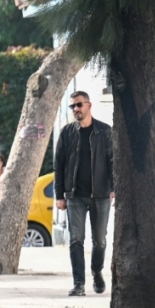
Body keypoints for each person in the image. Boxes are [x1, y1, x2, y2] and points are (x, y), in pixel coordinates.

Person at [53, 90, 114, 296]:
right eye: (73, 106)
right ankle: (79, 283)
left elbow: (113, 161)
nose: (76, 109)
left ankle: (97, 272)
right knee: (76, 240)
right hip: (75, 195)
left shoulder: (105, 131)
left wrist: (114, 188)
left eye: (79, 105)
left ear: (89, 106)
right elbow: (59, 165)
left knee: (100, 241)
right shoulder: (67, 132)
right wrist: (59, 195)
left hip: (101, 194)